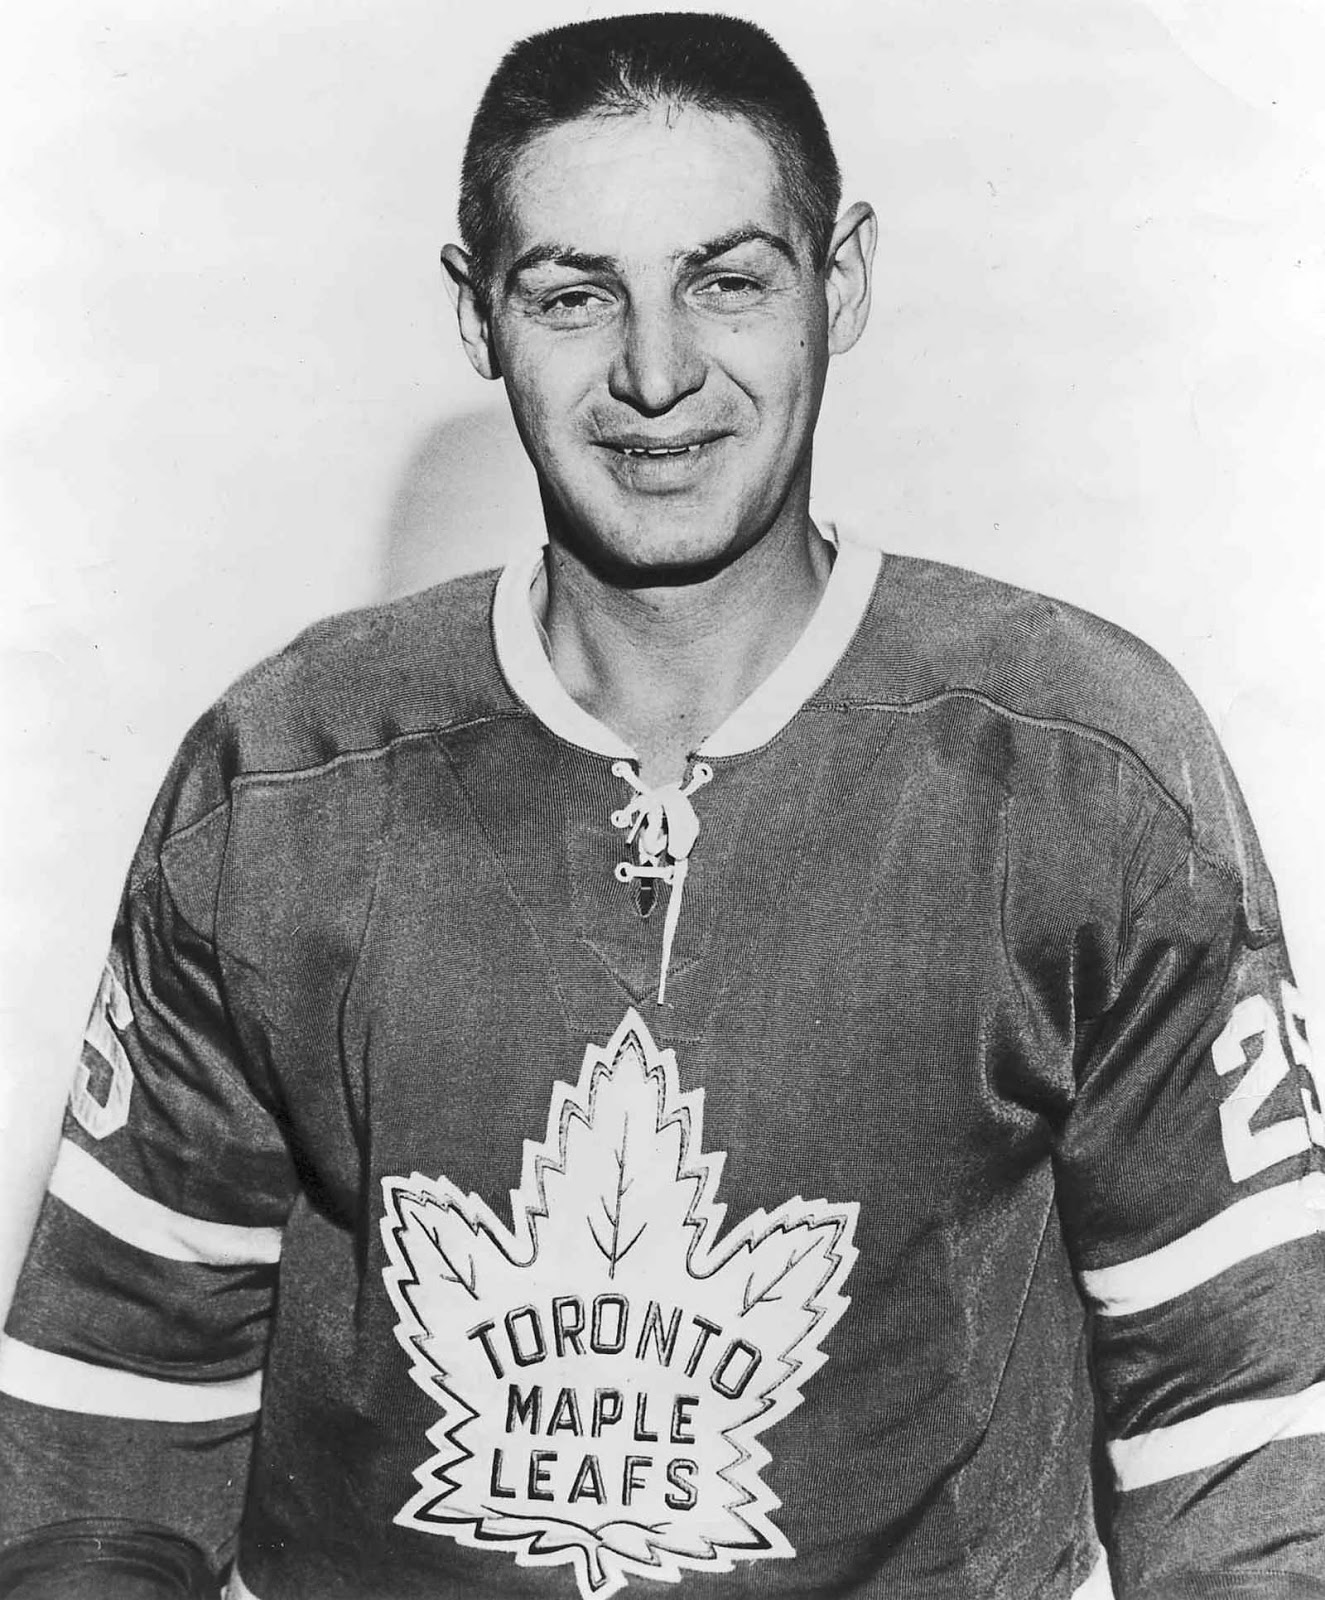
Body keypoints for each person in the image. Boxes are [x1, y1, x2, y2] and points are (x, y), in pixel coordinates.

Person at [0, 11, 1322, 1599]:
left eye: (726, 279)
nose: (653, 372)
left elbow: (1252, 1460)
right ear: (477, 315)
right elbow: (103, 1447)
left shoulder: (1079, 768)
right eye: (571, 293)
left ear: (839, 283)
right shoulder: (285, 773)